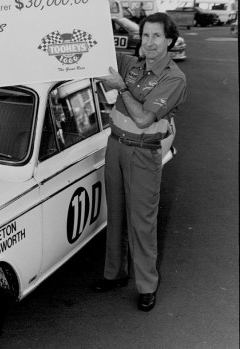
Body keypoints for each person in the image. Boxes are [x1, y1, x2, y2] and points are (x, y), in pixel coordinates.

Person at [93, 12, 186, 312]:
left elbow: (145, 118)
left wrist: (121, 87)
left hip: (143, 153)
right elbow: (94, 51)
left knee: (142, 223)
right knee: (115, 216)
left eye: (157, 36)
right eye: (145, 35)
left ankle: (147, 286)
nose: (150, 42)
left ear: (169, 40)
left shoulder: (174, 78)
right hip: (115, 147)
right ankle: (114, 274)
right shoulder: (131, 64)